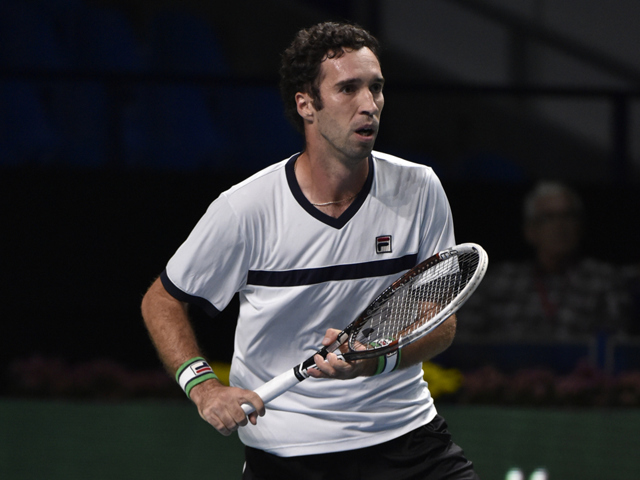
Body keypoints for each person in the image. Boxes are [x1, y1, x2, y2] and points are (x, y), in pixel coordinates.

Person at [141, 22, 478, 480]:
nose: (369, 104)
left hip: (408, 439)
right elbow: (162, 300)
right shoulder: (246, 209)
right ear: (306, 104)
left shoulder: (419, 188)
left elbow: (440, 324)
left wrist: (374, 360)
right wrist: (203, 388)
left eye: (376, 88)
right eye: (348, 89)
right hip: (289, 454)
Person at [461, 180, 630, 341]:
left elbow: (618, 344)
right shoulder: (498, 282)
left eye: (567, 216)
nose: (560, 226)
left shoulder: (604, 281)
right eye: (549, 217)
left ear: (580, 226)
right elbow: (466, 343)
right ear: (530, 230)